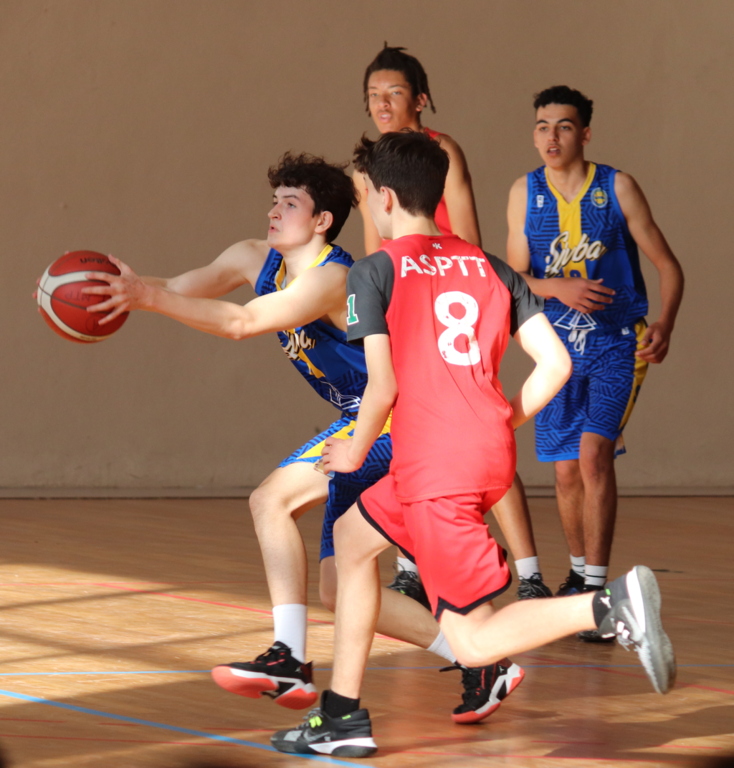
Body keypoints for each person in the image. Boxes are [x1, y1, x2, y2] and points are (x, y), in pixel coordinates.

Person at [270, 130, 676, 758]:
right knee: (351, 541)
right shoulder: (492, 267)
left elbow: (382, 385)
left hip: (436, 469)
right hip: (470, 456)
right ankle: (342, 713)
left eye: (365, 195)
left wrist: (352, 451)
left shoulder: (373, 271)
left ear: (383, 198)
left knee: (474, 641)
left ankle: (607, 605)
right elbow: (557, 364)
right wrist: (499, 420)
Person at [82, 152, 510, 723]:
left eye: (290, 203)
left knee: (271, 500)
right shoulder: (252, 256)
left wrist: (149, 299)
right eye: (274, 200)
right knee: (338, 590)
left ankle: (289, 658)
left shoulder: (335, 278)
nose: (274, 211)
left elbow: (240, 322)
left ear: (322, 221)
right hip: (361, 420)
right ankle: (480, 658)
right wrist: (115, 288)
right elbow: (178, 286)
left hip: (392, 417)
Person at [357, 43, 551, 602]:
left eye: (394, 92)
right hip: (407, 300)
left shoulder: (442, 151)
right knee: (415, 429)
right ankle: (413, 563)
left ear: (420, 99)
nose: (382, 104)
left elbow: (468, 238)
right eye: (373, 95)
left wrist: (446, 280)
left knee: (474, 419)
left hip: (455, 297)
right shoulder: (367, 167)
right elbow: (376, 250)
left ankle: (530, 572)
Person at [506, 86, 684, 639]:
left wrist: (665, 324)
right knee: (564, 472)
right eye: (542, 126)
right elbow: (514, 279)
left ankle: (600, 593)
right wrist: (557, 286)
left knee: (593, 457)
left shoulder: (617, 186)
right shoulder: (524, 192)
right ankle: (580, 575)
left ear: (584, 133)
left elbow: (669, 266)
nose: (551, 136)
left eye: (563, 126)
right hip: (556, 351)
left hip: (616, 344)